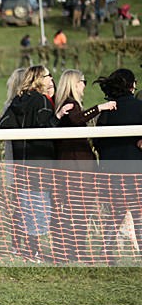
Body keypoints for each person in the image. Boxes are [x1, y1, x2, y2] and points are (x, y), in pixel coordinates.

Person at [0, 65, 73, 262]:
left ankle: (24, 249)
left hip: (22, 165)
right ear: (40, 79)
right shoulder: (41, 100)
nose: (51, 79)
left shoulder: (17, 100)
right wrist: (57, 116)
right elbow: (44, 130)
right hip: (40, 164)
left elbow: (2, 125)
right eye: (48, 76)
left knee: (26, 208)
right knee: (38, 210)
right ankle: (34, 252)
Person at [50, 69, 117, 262]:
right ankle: (75, 251)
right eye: (83, 81)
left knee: (77, 212)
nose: (85, 86)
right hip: (75, 169)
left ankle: (74, 251)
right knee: (78, 212)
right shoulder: (70, 104)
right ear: (75, 83)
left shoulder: (67, 103)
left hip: (75, 167)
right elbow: (76, 119)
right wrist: (100, 108)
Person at [92, 68, 142, 261]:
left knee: (115, 214)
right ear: (132, 85)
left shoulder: (107, 111)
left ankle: (106, 253)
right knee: (139, 215)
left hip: (111, 173)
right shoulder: (139, 107)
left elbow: (98, 143)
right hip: (137, 171)